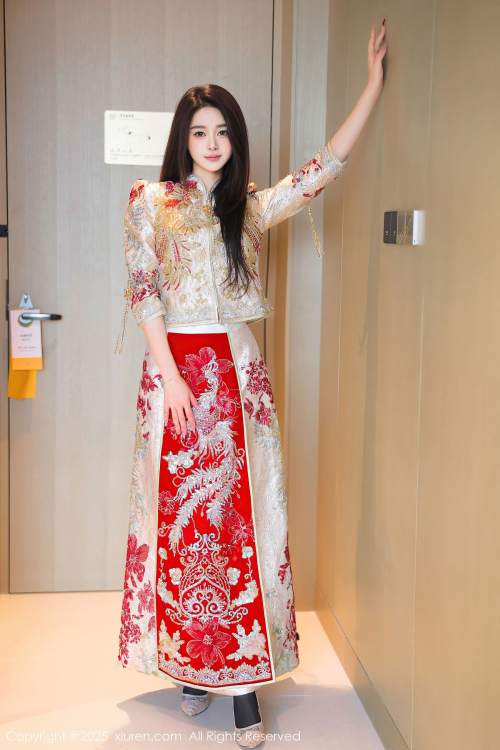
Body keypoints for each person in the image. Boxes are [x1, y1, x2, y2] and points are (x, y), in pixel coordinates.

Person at [115, 19, 387, 748]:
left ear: (235, 140)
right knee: (181, 524)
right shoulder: (149, 201)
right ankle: (189, 666)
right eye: (200, 131)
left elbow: (323, 168)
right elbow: (143, 291)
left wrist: (371, 88)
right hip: (174, 381)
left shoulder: (253, 207)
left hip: (239, 380)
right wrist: (172, 378)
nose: (212, 143)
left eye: (222, 132)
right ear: (184, 139)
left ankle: (241, 683)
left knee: (243, 525)